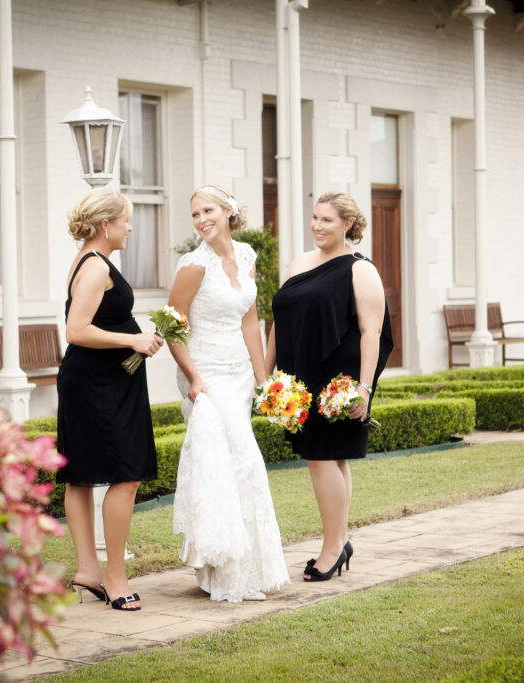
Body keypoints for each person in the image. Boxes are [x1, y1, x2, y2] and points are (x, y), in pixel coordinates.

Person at [166, 184, 290, 602]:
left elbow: (250, 321)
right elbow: (172, 326)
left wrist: (262, 379)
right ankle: (223, 571)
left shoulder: (247, 256)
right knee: (233, 461)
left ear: (228, 212)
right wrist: (193, 377)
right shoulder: (193, 266)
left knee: (236, 463)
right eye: (195, 214)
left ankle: (241, 568)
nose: (201, 220)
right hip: (206, 374)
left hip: (238, 374)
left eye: (208, 211)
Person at [265, 191, 393, 582]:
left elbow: (372, 331)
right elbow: (278, 321)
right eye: (315, 218)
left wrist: (364, 389)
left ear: (347, 225)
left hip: (338, 376)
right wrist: (265, 378)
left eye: (327, 220)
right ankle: (340, 542)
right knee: (330, 458)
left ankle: (332, 547)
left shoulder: (360, 268)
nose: (317, 226)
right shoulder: (299, 262)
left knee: (322, 458)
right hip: (299, 375)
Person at [56, 187, 165, 611]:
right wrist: (134, 340)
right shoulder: (96, 267)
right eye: (126, 220)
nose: (131, 227)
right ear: (106, 225)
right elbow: (76, 329)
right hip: (96, 383)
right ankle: (114, 577)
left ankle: (88, 569)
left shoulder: (92, 260)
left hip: (99, 379)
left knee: (84, 473)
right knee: (126, 472)